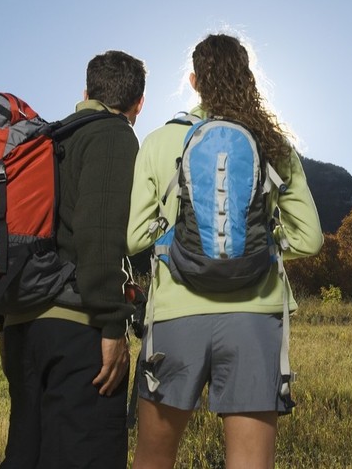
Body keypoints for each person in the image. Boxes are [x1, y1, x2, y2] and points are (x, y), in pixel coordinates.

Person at [126, 33, 323, 469]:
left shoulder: (160, 142)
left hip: (176, 317)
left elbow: (135, 237)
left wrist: (174, 235)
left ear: (194, 81)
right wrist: (262, 246)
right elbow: (309, 239)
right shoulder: (273, 144)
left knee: (153, 460)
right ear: (247, 77)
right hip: (255, 317)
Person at [0, 50, 146, 468]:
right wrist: (113, 324)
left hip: (22, 328)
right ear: (140, 103)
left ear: (84, 92)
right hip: (76, 330)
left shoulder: (48, 138)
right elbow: (99, 235)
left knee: (27, 456)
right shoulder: (113, 134)